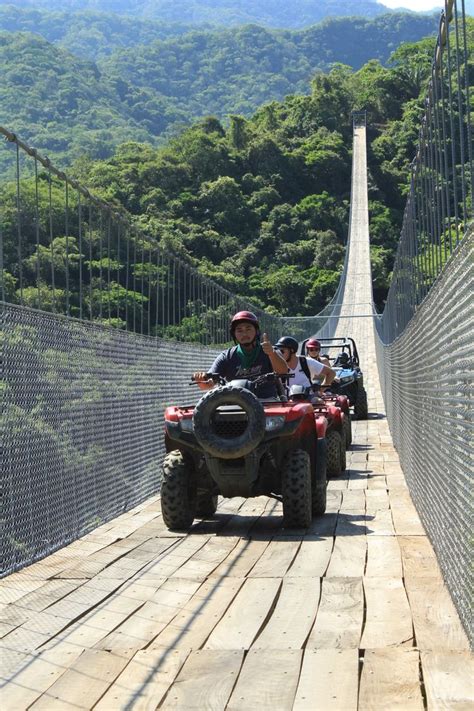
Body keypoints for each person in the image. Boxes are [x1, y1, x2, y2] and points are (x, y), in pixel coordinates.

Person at [192, 311, 288, 399]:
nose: (244, 333)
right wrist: (201, 379)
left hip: (267, 403)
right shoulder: (226, 356)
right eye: (239, 330)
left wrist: (271, 353)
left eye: (248, 329)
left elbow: (283, 371)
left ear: (256, 331)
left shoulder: (269, 350)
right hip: (235, 404)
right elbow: (209, 384)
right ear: (234, 334)